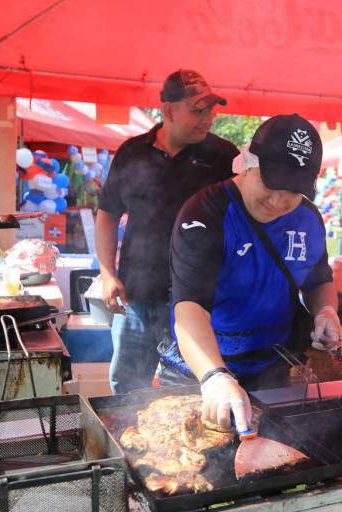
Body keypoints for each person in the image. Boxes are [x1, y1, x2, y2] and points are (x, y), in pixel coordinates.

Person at [163, 115, 338, 430]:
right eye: (271, 182)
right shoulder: (205, 213)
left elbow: (318, 279)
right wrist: (215, 376)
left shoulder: (308, 220)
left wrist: (326, 310)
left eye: (293, 190)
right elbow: (190, 306)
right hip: (197, 370)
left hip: (270, 370)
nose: (278, 201)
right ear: (248, 163)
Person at [96, 70, 238, 393]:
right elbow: (107, 215)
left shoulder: (224, 157)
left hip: (200, 303)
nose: (207, 119)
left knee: (192, 393)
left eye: (210, 111)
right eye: (197, 111)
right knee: (127, 390)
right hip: (137, 297)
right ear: (168, 111)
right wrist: (107, 273)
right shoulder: (132, 153)